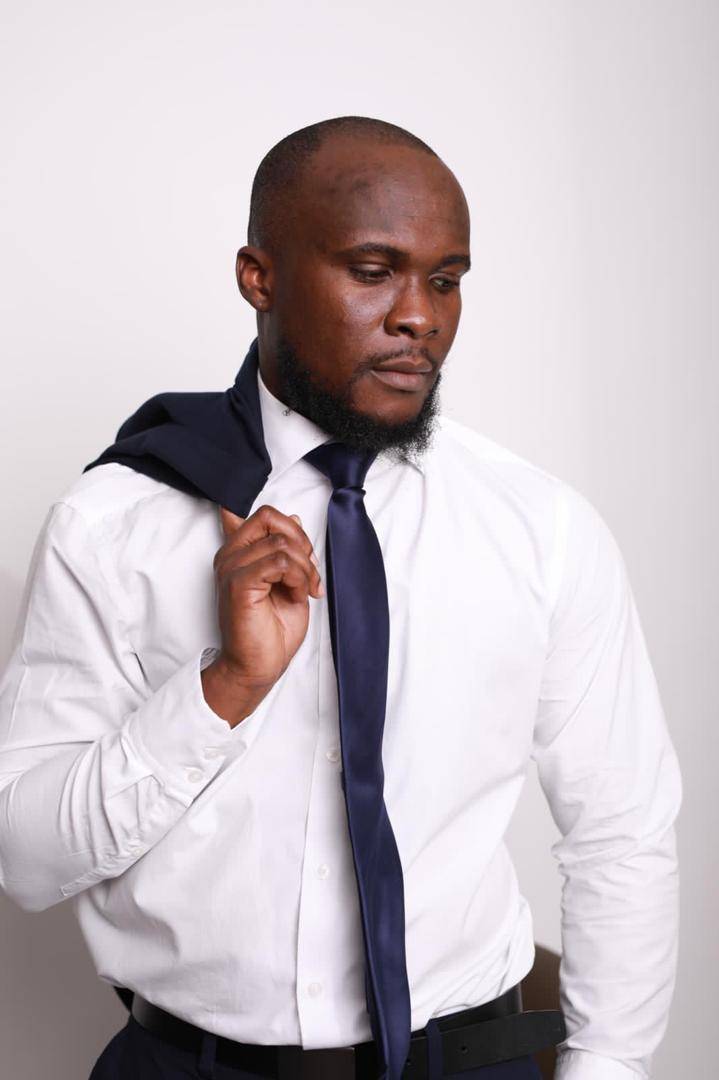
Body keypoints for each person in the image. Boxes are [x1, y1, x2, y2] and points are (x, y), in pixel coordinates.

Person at [0, 116, 681, 1080]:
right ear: (259, 277)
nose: (419, 318)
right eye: (372, 271)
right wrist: (223, 689)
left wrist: (608, 1066)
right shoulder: (114, 524)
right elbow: (25, 862)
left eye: (445, 280)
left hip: (467, 1060)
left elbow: (621, 832)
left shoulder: (540, 528)